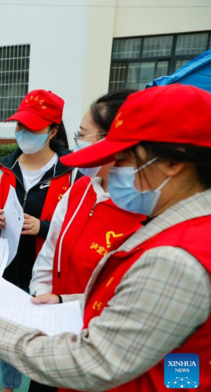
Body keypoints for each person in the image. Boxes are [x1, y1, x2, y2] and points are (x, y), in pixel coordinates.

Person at [0, 83, 211, 392]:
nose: (114, 171)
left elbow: (95, 361)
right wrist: (61, 301)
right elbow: (156, 329)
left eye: (125, 158)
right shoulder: (183, 229)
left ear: (173, 161)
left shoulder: (177, 257)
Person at [0, 89, 73, 392]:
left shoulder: (70, 174)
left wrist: (42, 227)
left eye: (31, 129)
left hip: (46, 275)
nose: (23, 134)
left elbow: (73, 226)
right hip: (7, 268)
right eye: (19, 126)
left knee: (41, 334)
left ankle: (40, 388)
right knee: (9, 335)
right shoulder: (4, 167)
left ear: (53, 131)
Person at [29, 89, 145, 303]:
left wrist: (63, 301)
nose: (78, 143)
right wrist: (40, 290)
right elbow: (51, 248)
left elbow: (129, 298)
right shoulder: (81, 188)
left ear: (114, 141)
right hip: (55, 316)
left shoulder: (146, 212)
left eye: (82, 135)